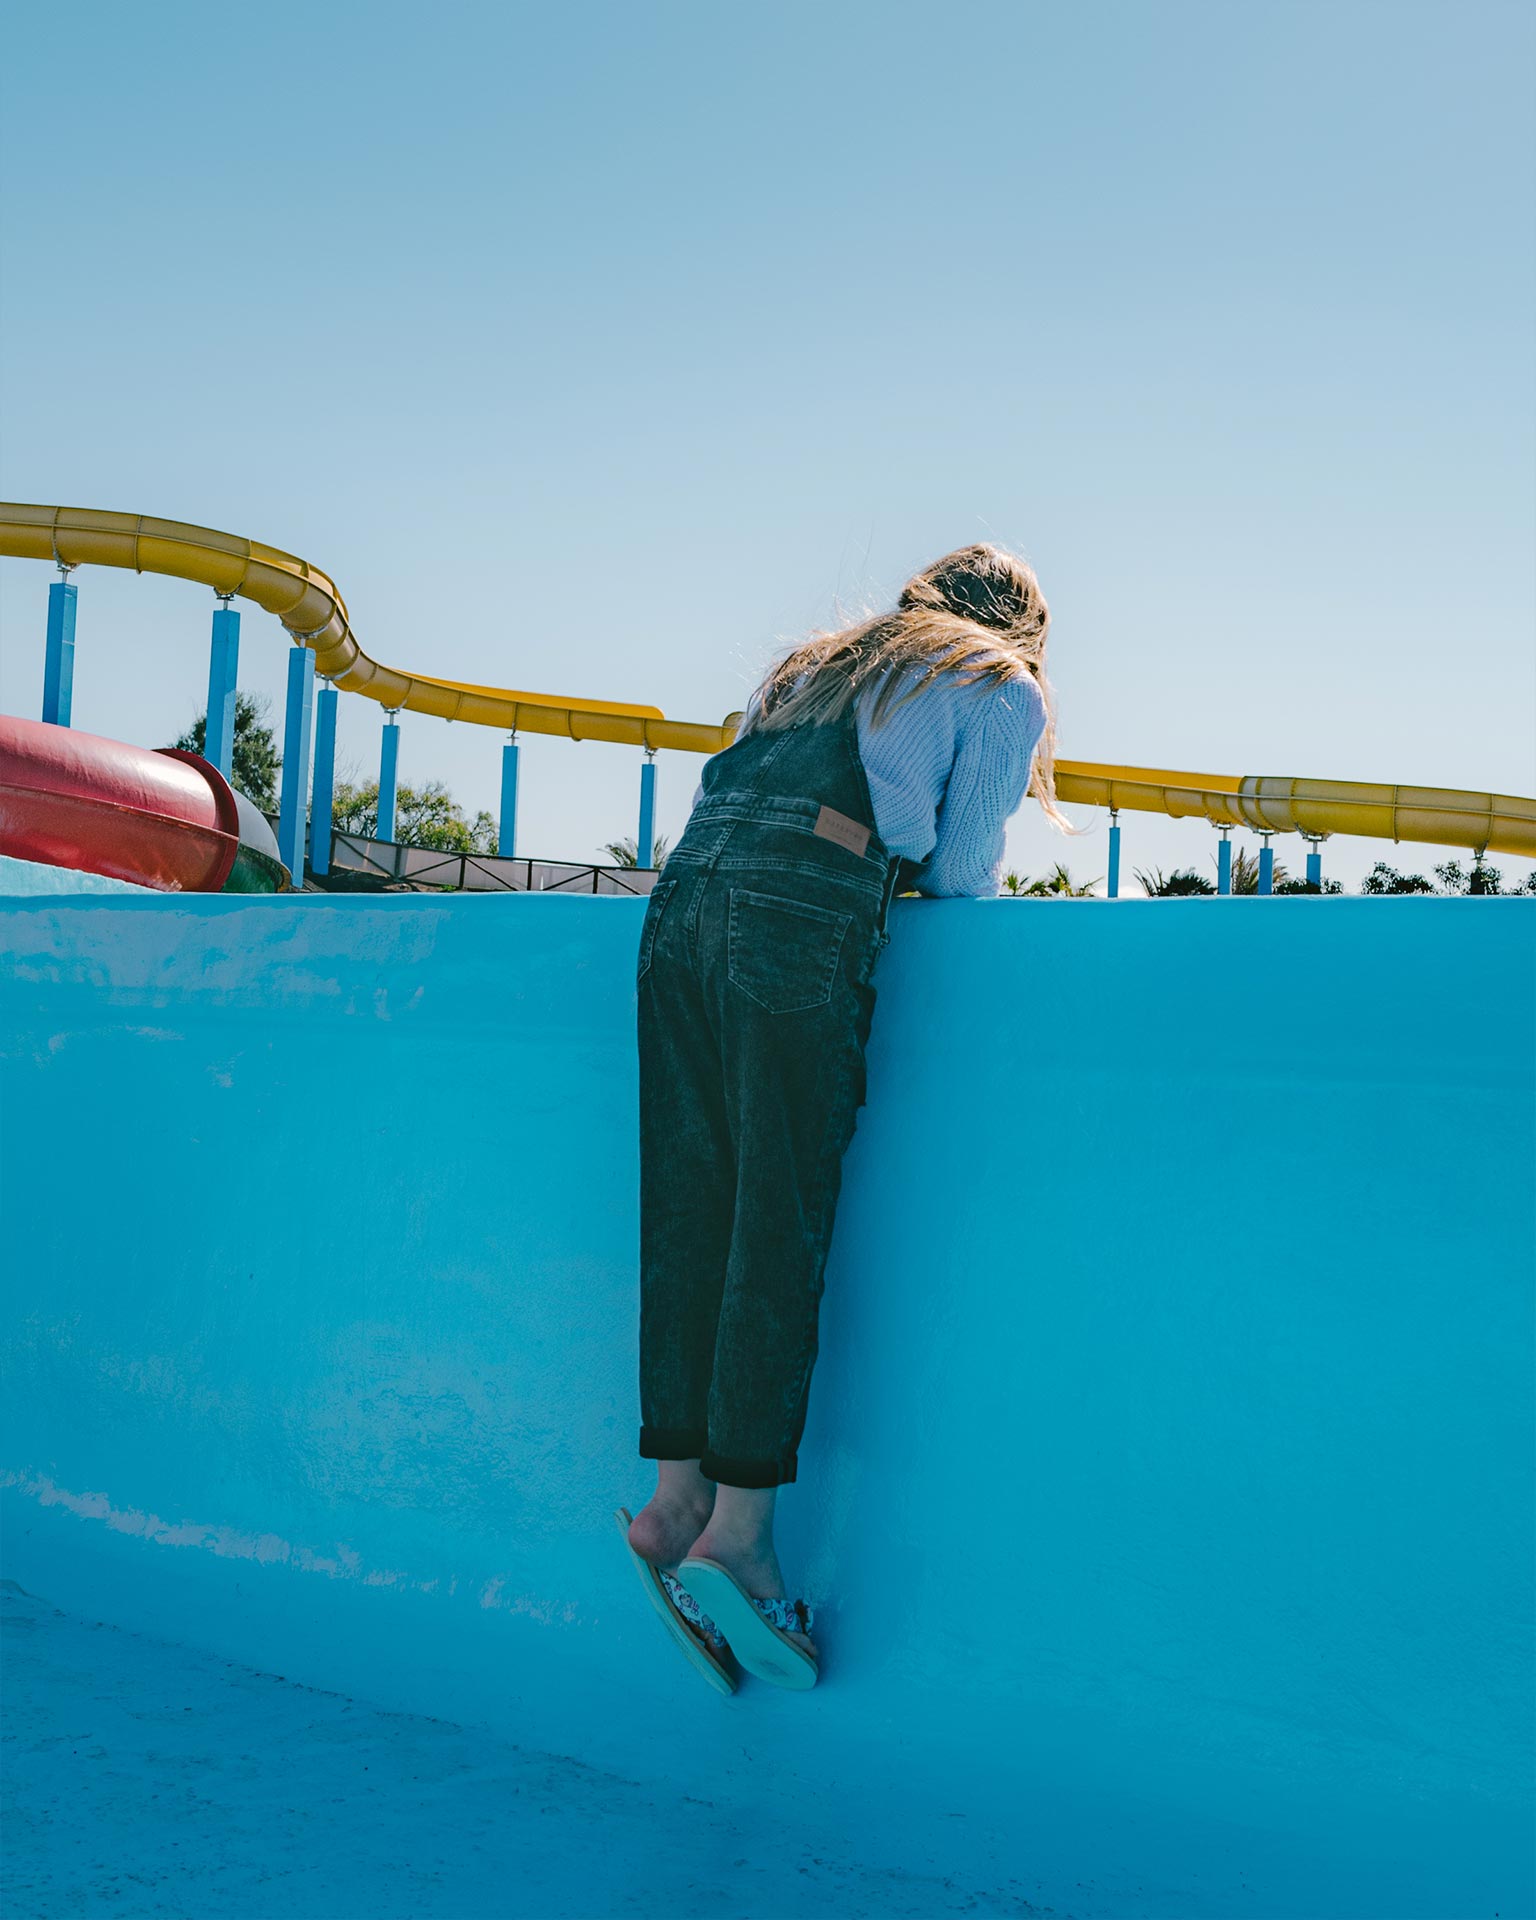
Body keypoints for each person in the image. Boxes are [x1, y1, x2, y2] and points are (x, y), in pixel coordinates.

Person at [619, 543, 1070, 1690]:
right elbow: (960, 871)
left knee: (691, 1208)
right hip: (799, 913)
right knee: (776, 1222)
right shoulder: (996, 680)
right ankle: (742, 1536)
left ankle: (673, 1504)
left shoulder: (814, 663)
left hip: (683, 901)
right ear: (1021, 632)